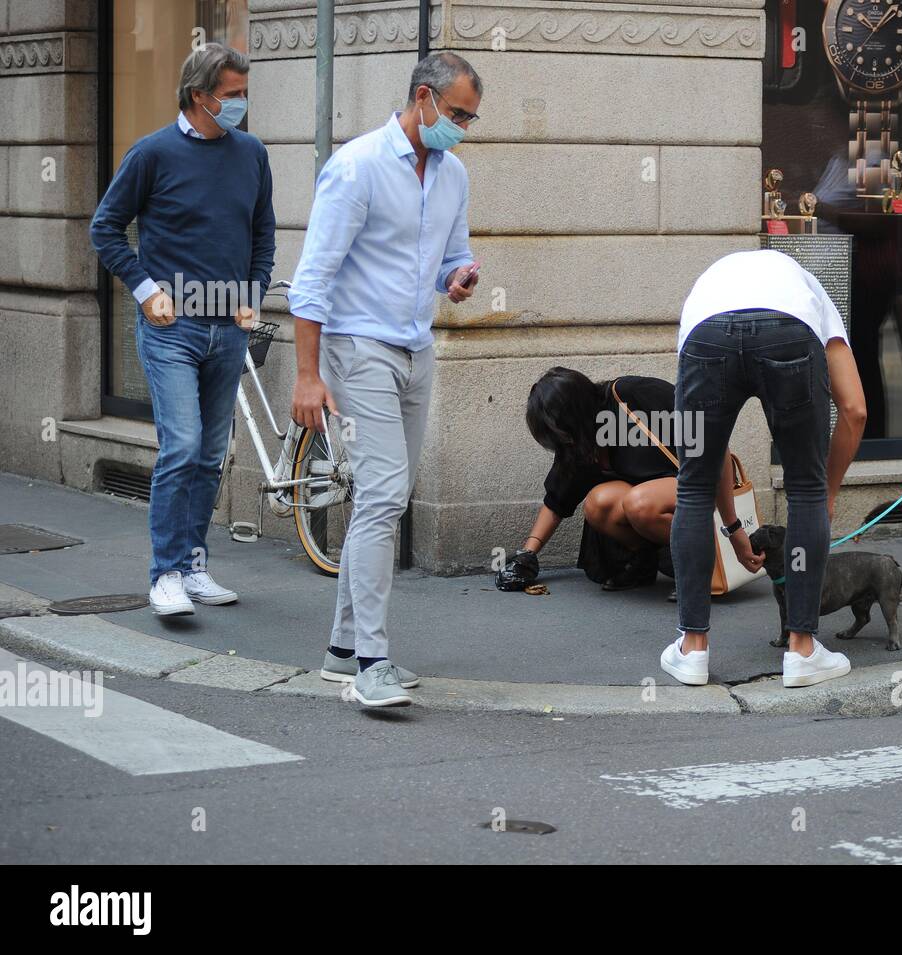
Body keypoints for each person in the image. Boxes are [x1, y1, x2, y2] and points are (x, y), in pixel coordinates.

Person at [288, 52, 482, 706]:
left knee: (384, 493)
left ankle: (343, 650)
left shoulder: (452, 174)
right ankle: (372, 660)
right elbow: (312, 279)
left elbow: (449, 259)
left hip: (415, 347)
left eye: (469, 119)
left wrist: (456, 279)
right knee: (383, 494)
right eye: (456, 113)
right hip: (357, 345)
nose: (461, 127)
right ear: (422, 97)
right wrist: (307, 375)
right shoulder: (357, 166)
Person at [89, 42, 275, 616]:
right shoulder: (152, 154)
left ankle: (193, 565)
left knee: (210, 453)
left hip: (229, 329)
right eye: (233, 95)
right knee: (184, 445)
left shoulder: (252, 154)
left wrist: (252, 296)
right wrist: (146, 292)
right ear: (200, 96)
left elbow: (262, 236)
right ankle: (164, 573)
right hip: (172, 330)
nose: (242, 103)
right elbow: (106, 230)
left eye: (245, 93)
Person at [662, 250, 867, 689]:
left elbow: (713, 454)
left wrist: (735, 528)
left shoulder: (708, 287)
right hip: (788, 333)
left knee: (691, 490)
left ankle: (693, 649)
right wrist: (826, 493)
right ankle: (803, 651)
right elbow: (855, 411)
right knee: (806, 491)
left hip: (706, 335)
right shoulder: (808, 291)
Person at [496, 368, 684, 595]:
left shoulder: (632, 395)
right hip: (652, 504)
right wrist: (527, 555)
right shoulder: (580, 443)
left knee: (639, 502)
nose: (565, 440)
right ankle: (643, 563)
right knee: (598, 503)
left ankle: (704, 565)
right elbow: (557, 500)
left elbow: (705, 428)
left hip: (697, 486)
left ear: (576, 414)